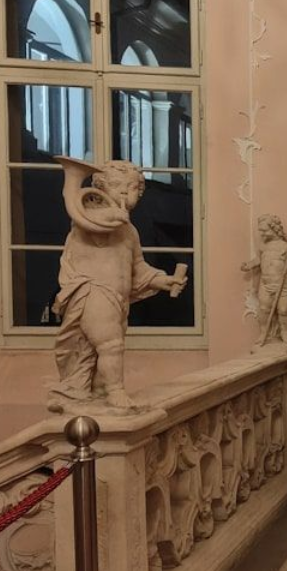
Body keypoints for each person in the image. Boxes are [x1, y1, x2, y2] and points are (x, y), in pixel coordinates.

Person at [49, 160, 187, 411]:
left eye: (132, 187)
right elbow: (90, 217)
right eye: (115, 185)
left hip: (118, 299)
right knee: (110, 344)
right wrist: (111, 212)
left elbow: (138, 268)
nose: (124, 192)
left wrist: (163, 279)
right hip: (93, 292)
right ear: (100, 189)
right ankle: (115, 392)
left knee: (100, 350)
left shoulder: (129, 231)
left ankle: (96, 390)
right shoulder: (86, 220)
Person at [243, 214, 287, 346]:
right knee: (263, 309)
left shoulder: (285, 246)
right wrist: (248, 265)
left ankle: (285, 333)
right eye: (260, 231)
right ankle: (264, 333)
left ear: (274, 229)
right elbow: (259, 260)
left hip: (284, 283)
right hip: (266, 283)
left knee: (284, 310)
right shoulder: (263, 247)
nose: (262, 233)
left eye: (264, 230)